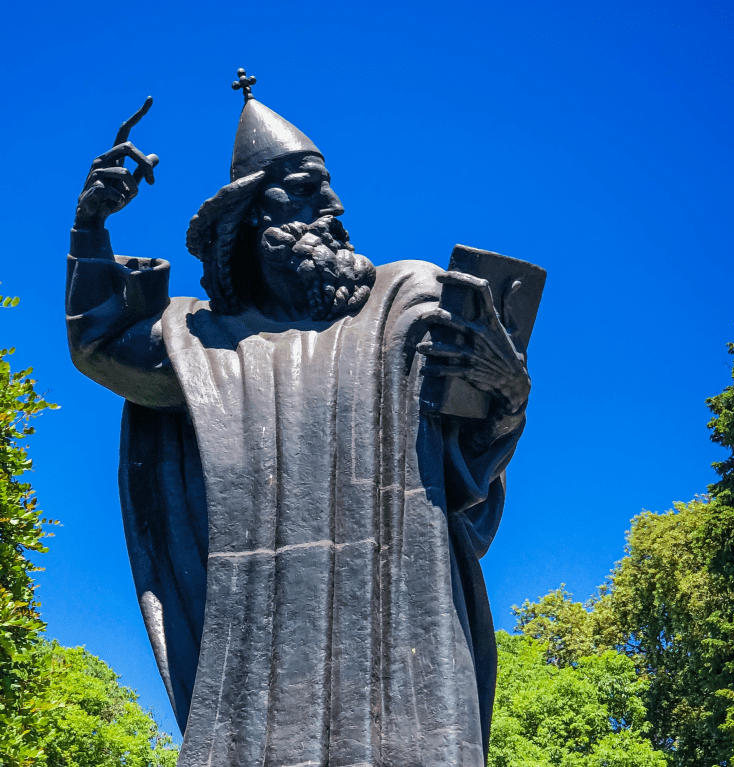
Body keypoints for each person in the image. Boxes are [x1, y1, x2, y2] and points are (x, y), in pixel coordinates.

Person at [65, 75, 534, 767]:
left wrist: (507, 396)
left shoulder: (409, 301)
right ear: (253, 214)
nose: (336, 208)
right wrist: (90, 229)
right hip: (263, 649)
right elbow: (103, 345)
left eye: (329, 186)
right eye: (309, 189)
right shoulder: (204, 340)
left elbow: (468, 463)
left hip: (405, 630)